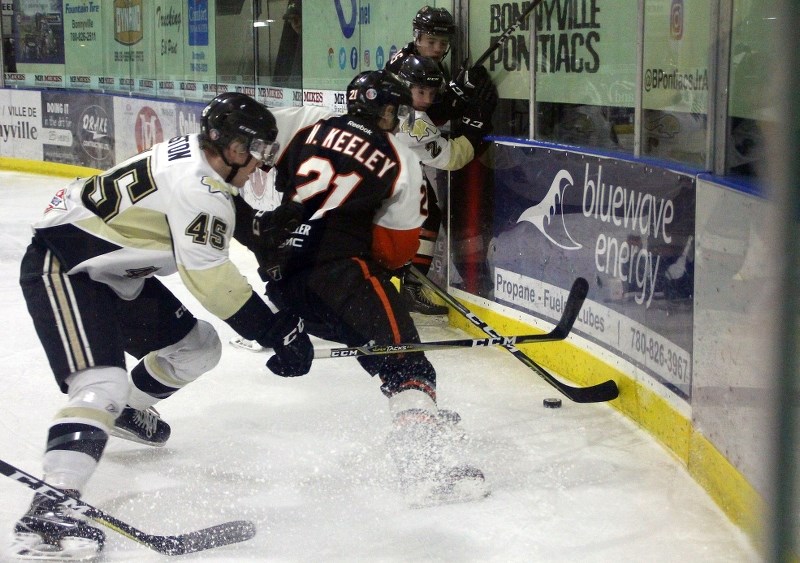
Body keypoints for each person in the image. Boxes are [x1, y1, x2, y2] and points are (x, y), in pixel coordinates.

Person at [11, 92, 313, 560]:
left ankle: (128, 411)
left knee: (198, 347)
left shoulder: (198, 161)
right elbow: (211, 281)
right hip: (68, 265)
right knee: (101, 383)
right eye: (251, 150)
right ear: (227, 145)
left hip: (113, 269)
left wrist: (256, 232)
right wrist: (276, 333)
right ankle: (51, 507)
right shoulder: (200, 188)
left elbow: (214, 214)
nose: (258, 163)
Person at [249, 70, 489, 506]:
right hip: (339, 276)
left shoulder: (308, 120)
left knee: (376, 343)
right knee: (408, 364)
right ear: (386, 111)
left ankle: (415, 415)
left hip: (279, 279)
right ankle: (425, 472)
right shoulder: (400, 155)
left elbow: (250, 135)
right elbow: (397, 250)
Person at [386, 6, 498, 314]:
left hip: (392, 157)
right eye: (431, 41)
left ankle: (400, 285)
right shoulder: (407, 79)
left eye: (442, 42)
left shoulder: (416, 65)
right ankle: (397, 287)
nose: (438, 48)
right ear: (417, 36)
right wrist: (471, 119)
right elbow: (428, 126)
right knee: (422, 214)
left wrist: (455, 95)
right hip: (394, 158)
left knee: (426, 214)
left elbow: (428, 111)